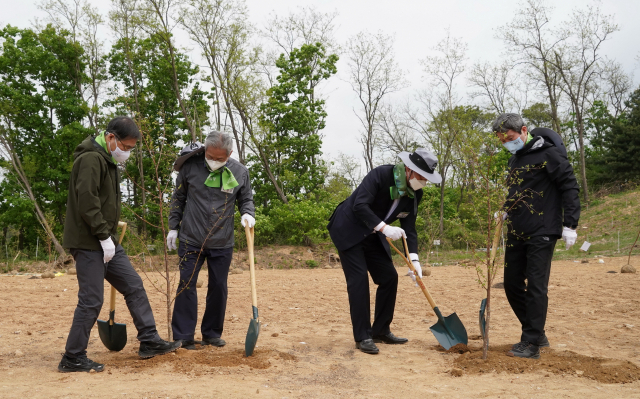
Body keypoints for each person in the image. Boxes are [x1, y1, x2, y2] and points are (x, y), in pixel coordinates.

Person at [59, 116, 181, 373]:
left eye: (131, 148)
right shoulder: (91, 159)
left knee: (133, 285)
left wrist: (109, 235)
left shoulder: (108, 159)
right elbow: (87, 202)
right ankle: (72, 356)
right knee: (91, 299)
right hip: (89, 241)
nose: (126, 152)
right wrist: (103, 236)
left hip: (107, 240)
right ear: (111, 137)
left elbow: (102, 202)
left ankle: (149, 340)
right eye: (125, 147)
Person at [327, 149, 441, 354]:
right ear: (409, 170)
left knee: (389, 277)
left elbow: (410, 227)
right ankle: (363, 336)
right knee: (359, 279)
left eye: (427, 179)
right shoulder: (380, 175)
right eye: (422, 176)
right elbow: (359, 205)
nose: (424, 181)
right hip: (349, 229)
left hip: (372, 234)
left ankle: (380, 330)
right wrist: (384, 227)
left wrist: (414, 260)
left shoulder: (416, 194)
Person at [493, 113, 580, 359]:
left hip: (543, 229)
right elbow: (517, 191)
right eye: (502, 141)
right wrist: (505, 210)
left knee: (536, 286)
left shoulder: (549, 154)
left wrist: (570, 224)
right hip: (517, 230)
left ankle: (531, 343)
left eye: (509, 138)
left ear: (523, 130)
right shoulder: (515, 159)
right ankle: (537, 332)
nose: (506, 143)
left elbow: (569, 185)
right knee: (511, 284)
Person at [167, 131, 255, 350]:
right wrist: (173, 227)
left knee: (218, 287)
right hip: (191, 238)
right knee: (186, 284)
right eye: (210, 156)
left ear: (229, 154)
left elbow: (246, 199)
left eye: (220, 159)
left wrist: (248, 213)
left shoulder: (240, 172)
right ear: (205, 150)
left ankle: (212, 333)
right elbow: (178, 198)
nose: (214, 161)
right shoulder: (190, 167)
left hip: (222, 240)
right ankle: (184, 335)